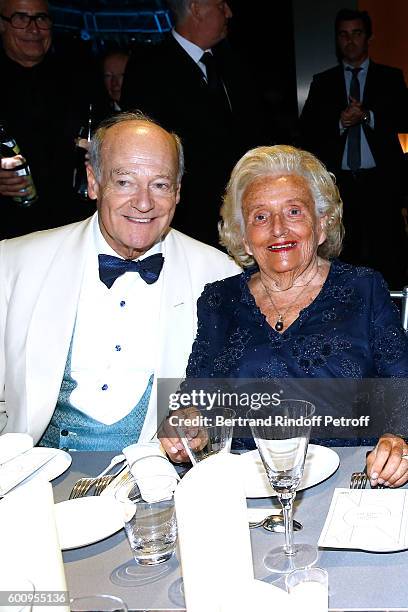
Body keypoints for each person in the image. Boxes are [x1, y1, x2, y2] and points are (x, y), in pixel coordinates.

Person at [162, 144, 408, 487]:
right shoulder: (220, 300)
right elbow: (197, 399)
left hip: (347, 481)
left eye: (294, 212)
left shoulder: (364, 288)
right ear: (244, 237)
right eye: (260, 217)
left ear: (322, 225)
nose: (278, 229)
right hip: (246, 490)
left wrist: (399, 443)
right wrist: (186, 424)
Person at [0, 111, 240, 450]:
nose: (143, 203)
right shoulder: (14, 262)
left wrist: (205, 421)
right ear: (94, 182)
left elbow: (235, 397)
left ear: (178, 192)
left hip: (162, 483)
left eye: (159, 184)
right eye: (125, 181)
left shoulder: (220, 275)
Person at [121, 0, 268, 247]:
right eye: (221, 6)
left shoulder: (233, 63)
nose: (229, 12)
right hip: (186, 223)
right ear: (197, 9)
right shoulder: (149, 68)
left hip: (243, 213)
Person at [299, 8, 408, 288]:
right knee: (343, 258)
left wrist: (368, 116)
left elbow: (405, 117)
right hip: (340, 186)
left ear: (368, 37)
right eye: (343, 35)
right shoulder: (323, 82)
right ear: (337, 40)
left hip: (382, 183)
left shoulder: (390, 78)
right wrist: (339, 122)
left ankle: (392, 321)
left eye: (356, 34)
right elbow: (305, 131)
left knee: (389, 257)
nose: (350, 41)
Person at [0, 0, 100, 238]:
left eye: (41, 19)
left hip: (71, 226)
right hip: (8, 231)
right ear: (2, 25)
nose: (34, 29)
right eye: (21, 19)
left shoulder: (78, 77)